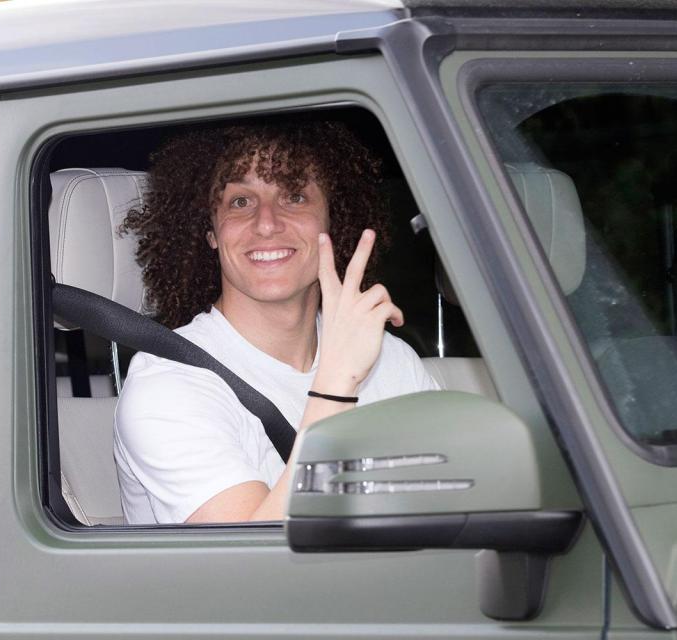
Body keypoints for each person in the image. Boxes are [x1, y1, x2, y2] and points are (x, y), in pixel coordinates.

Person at [114, 119, 438, 524]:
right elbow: (252, 572)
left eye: (295, 196)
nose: (267, 223)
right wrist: (337, 386)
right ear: (211, 231)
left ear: (331, 220)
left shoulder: (391, 361)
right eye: (240, 202)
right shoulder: (168, 382)